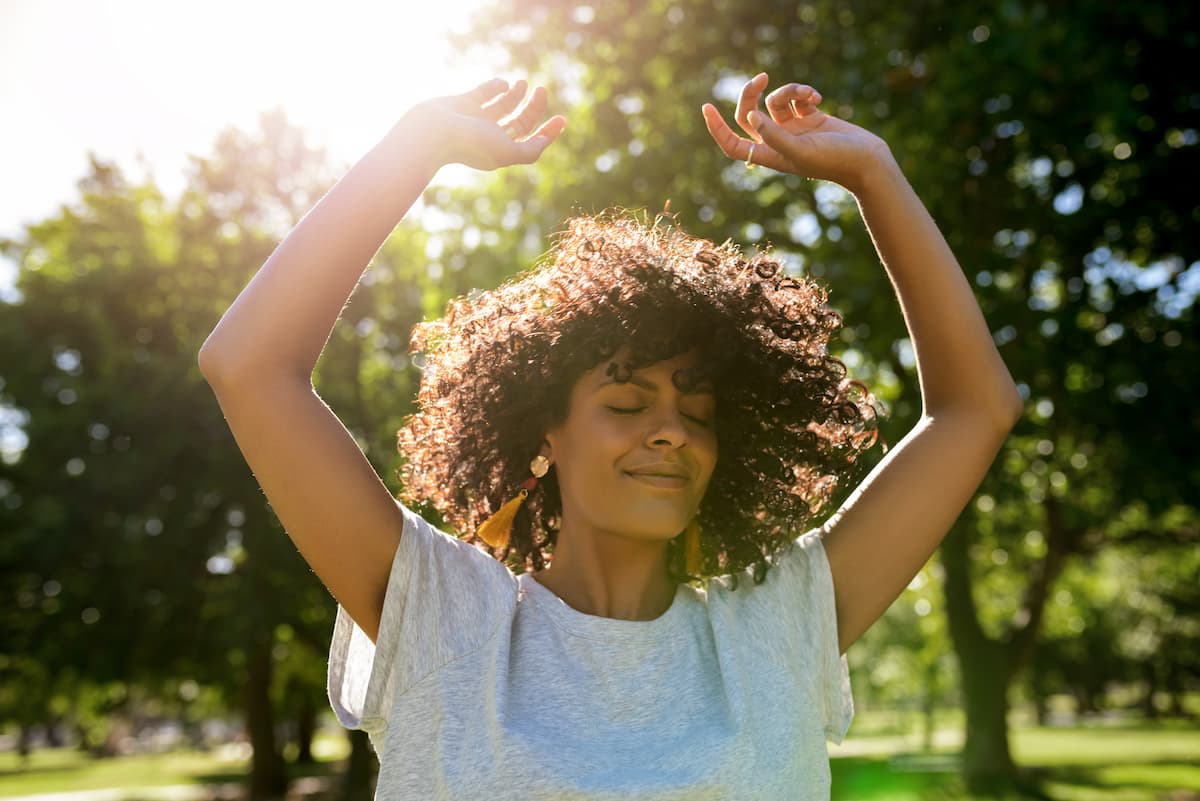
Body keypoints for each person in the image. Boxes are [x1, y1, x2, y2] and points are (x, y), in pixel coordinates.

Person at [199, 73, 1023, 800]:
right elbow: (249, 366)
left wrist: (874, 174)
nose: (671, 432)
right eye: (627, 404)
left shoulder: (775, 625)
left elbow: (975, 410)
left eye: (698, 410)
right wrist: (414, 147)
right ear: (542, 435)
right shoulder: (444, 616)